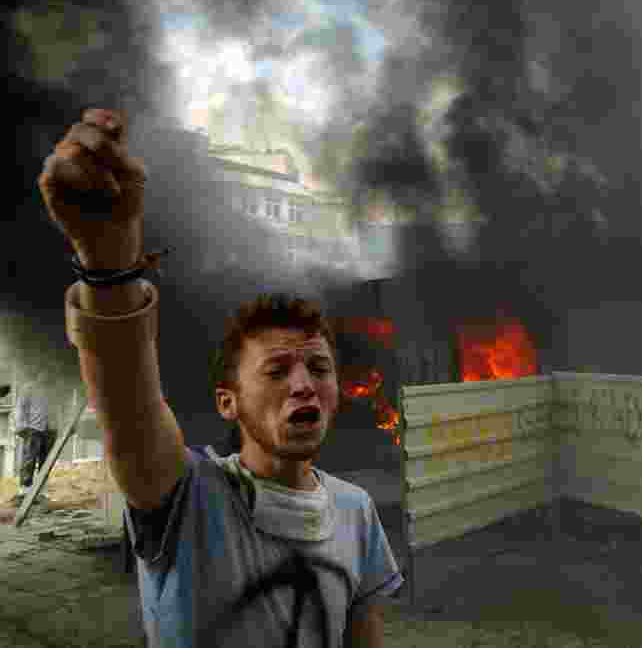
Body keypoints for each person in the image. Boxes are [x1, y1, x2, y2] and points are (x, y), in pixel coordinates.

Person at [38, 108, 402, 647]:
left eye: (319, 368)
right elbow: (128, 402)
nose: (305, 383)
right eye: (277, 370)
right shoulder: (187, 499)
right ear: (227, 402)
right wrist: (109, 263)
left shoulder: (357, 511)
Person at [11, 369, 56, 505]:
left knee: (46, 462)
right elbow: (20, 408)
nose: (46, 375)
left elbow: (58, 407)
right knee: (29, 460)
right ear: (38, 373)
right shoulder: (28, 388)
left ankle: (42, 490)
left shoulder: (52, 389)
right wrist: (22, 426)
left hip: (49, 430)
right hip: (33, 429)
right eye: (43, 372)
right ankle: (24, 490)